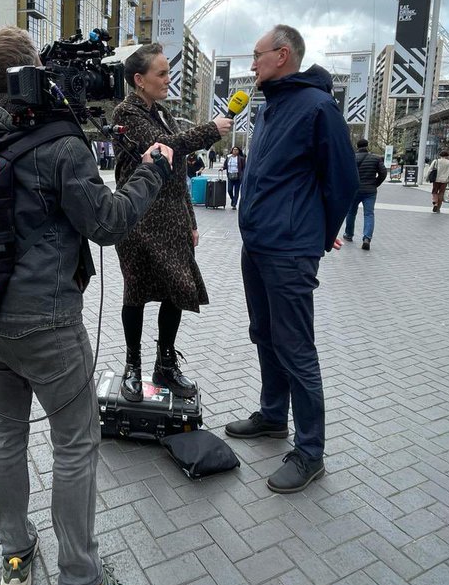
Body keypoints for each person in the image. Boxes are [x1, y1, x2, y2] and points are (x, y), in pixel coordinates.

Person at [0, 27, 174, 585]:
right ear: (33, 76)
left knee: (7, 431)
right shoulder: (59, 141)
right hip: (48, 324)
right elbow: (105, 223)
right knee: (75, 444)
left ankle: (14, 554)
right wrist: (152, 170)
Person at [225, 25, 359, 493]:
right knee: (264, 333)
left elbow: (342, 180)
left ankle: (310, 452)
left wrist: (314, 238)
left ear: (282, 55)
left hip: (288, 251)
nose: (252, 63)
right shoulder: (268, 110)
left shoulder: (318, 107)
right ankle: (271, 415)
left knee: (296, 347)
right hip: (257, 245)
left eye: (257, 54)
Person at [111, 44, 231, 402]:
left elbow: (177, 173)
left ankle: (164, 364)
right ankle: (132, 366)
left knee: (176, 289)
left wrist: (191, 219)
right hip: (138, 219)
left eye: (168, 72)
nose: (168, 80)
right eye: (161, 73)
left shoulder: (161, 112)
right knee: (135, 292)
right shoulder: (126, 113)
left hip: (173, 220)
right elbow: (163, 149)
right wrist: (209, 130)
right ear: (139, 79)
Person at [343, 138, 387, 250]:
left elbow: (346, 173)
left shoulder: (352, 158)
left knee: (351, 212)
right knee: (369, 214)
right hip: (370, 191)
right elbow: (383, 173)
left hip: (355, 190)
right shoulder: (376, 158)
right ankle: (367, 238)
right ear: (367, 146)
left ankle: (349, 234)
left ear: (357, 147)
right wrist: (375, 184)